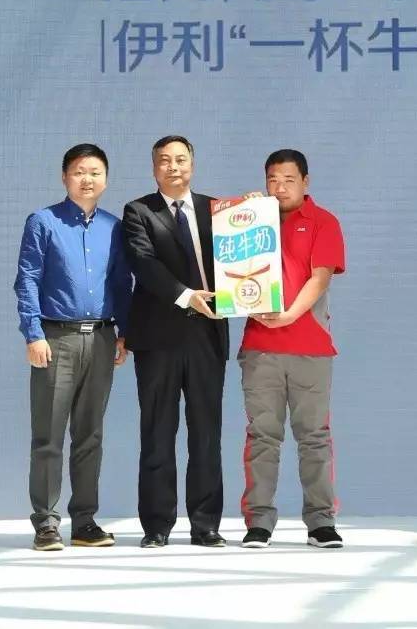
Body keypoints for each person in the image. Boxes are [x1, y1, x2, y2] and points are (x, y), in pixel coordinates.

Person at [14, 143, 132, 551]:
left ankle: (85, 522)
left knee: (90, 435)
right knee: (48, 435)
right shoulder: (43, 222)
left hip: (101, 338)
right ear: (65, 177)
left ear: (106, 179)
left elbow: (122, 283)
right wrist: (33, 333)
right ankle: (46, 523)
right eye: (79, 171)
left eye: (95, 172)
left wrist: (124, 333)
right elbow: (28, 279)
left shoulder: (114, 227)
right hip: (56, 339)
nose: (87, 179)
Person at [121, 135, 230, 548]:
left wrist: (255, 212)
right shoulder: (138, 211)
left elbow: (245, 255)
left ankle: (206, 525)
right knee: (157, 432)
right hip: (158, 338)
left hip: (207, 335)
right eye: (165, 161)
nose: (174, 167)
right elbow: (144, 263)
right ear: (154, 168)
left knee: (207, 433)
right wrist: (186, 296)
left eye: (181, 160)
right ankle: (156, 526)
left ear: (192, 165)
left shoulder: (218, 210)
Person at [238, 149, 346, 549]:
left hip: (310, 347)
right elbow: (232, 274)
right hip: (260, 347)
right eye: (273, 180)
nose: (280, 187)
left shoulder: (323, 221)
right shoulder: (252, 222)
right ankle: (259, 522)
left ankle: (321, 522)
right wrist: (243, 216)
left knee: (314, 436)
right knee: (262, 437)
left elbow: (320, 278)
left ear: (305, 182)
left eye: (288, 180)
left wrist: (287, 316)